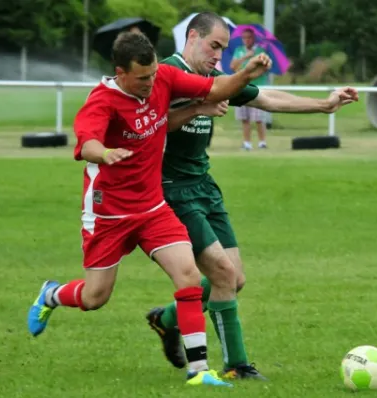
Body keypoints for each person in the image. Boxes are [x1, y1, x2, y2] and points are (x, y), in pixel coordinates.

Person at [26, 31, 271, 387]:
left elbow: (213, 90)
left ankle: (199, 371)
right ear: (121, 72)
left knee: (187, 274)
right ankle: (51, 294)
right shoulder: (102, 101)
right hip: (108, 214)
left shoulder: (163, 77)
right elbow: (88, 141)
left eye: (153, 74)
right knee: (95, 297)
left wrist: (244, 75)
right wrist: (105, 153)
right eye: (142, 78)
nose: (150, 83)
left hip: (153, 207)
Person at [145, 12, 358, 380]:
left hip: (204, 186)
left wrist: (324, 104)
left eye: (223, 50)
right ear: (192, 37)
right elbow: (149, 123)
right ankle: (236, 366)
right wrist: (196, 107)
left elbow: (266, 98)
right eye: (214, 46)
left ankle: (167, 319)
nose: (218, 56)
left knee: (234, 279)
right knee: (224, 274)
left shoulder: (214, 78)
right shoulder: (164, 74)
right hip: (171, 191)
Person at [230, 27, 270, 150]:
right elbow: (233, 66)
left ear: (254, 38)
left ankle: (262, 142)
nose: (247, 40)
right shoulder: (239, 51)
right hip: (242, 86)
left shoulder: (260, 51)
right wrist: (246, 57)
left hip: (258, 87)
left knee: (258, 118)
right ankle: (247, 143)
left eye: (249, 37)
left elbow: (261, 69)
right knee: (245, 118)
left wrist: (247, 67)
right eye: (244, 38)